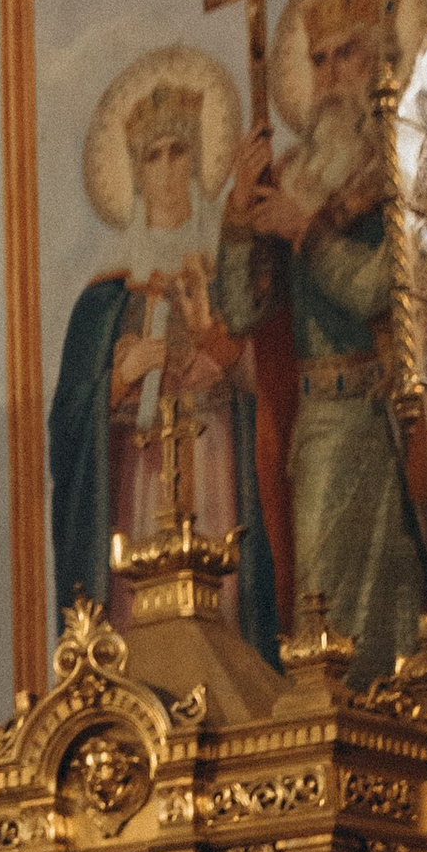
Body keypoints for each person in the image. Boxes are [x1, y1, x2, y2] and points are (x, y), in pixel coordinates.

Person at [216, 0, 427, 675]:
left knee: (396, 613)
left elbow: (378, 289)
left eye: (349, 53)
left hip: (388, 420)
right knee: (321, 614)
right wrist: (241, 222)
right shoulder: (297, 173)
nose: (333, 74)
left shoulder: (402, 165)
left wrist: (305, 231)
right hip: (322, 429)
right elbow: (244, 312)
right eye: (320, 58)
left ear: (380, 62)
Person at [49, 54, 286, 661]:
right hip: (136, 483)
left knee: (225, 626)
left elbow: (276, 386)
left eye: (178, 152)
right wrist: (116, 381)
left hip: (216, 471)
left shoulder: (230, 273)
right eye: (151, 157)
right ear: (133, 172)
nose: (166, 170)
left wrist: (224, 360)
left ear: (196, 163)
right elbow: (65, 432)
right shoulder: (103, 301)